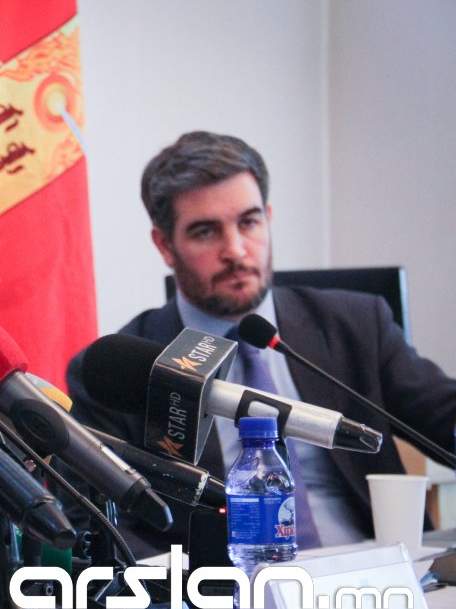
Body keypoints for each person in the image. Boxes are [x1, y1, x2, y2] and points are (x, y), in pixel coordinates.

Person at [66, 130, 456, 558]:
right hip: (228, 589)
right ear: (165, 245)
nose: (236, 250)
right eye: (205, 232)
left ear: (268, 218)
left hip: (377, 572)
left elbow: (446, 421)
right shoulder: (123, 367)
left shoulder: (357, 325)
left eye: (249, 222)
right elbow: (93, 523)